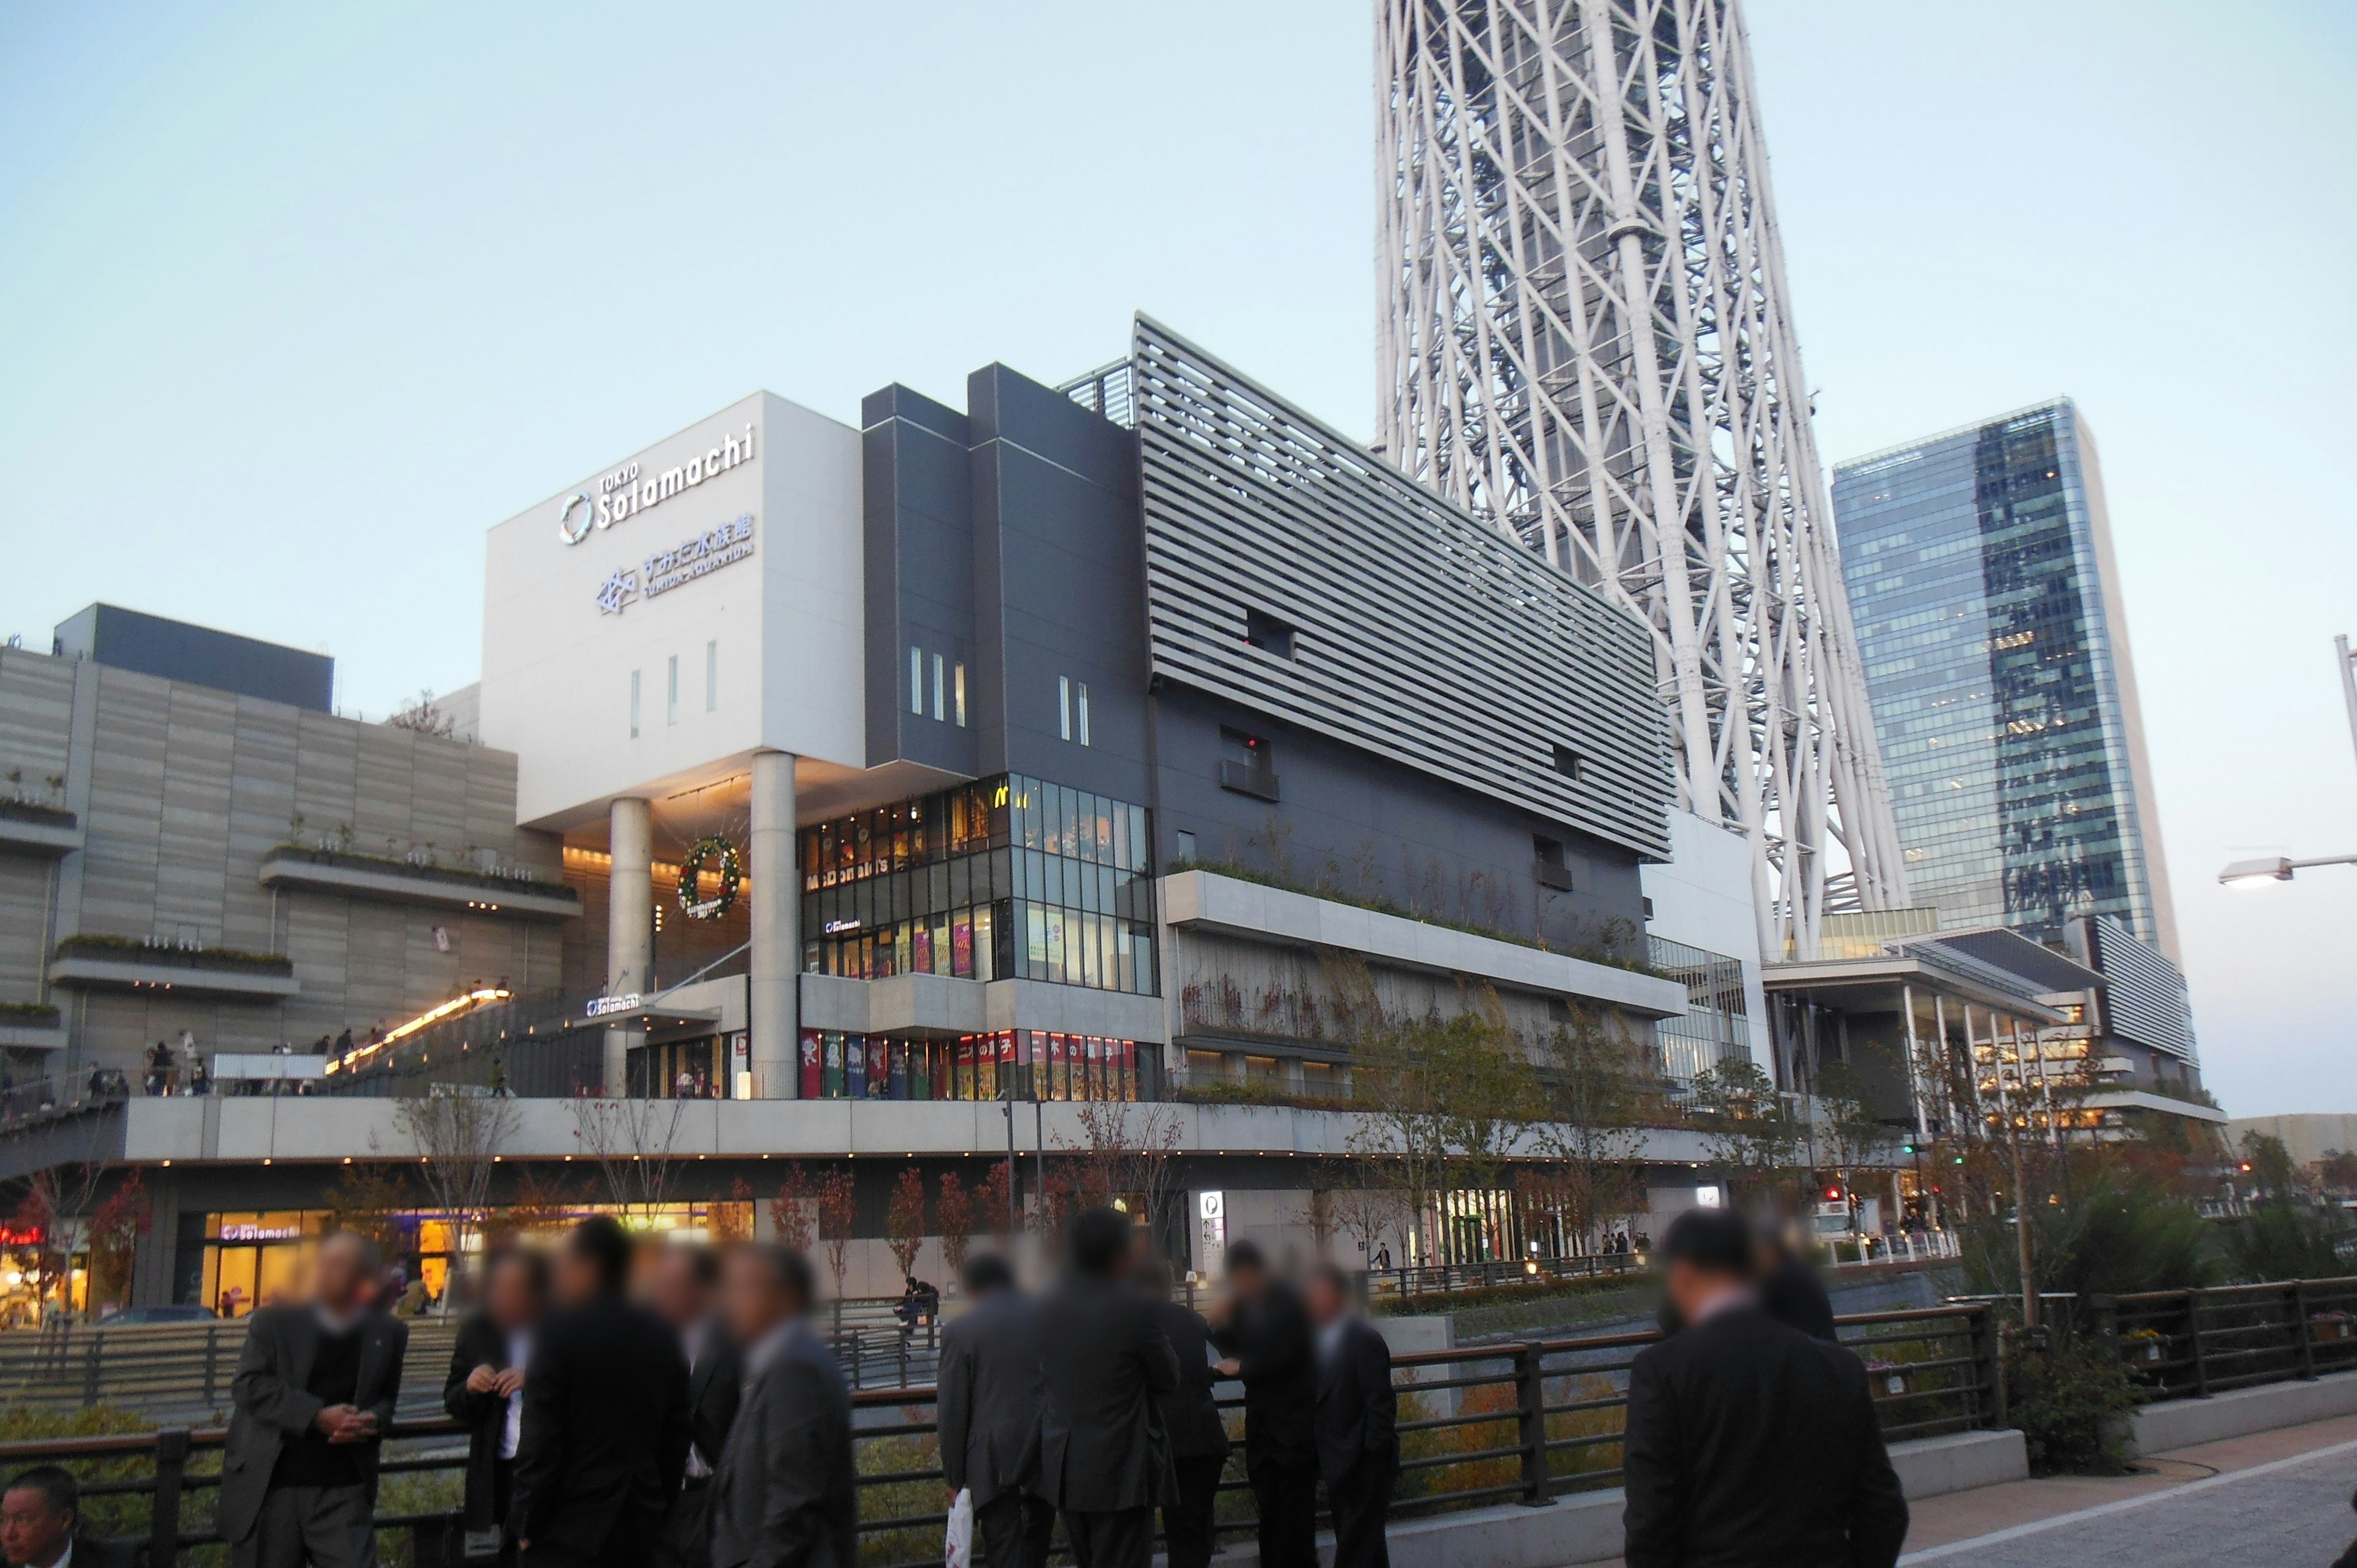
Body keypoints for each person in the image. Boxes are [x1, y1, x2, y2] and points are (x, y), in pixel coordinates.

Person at [1621, 1208, 1908, 1568]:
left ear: (1683, 1275)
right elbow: (1884, 1508)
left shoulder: (1662, 1371)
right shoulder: (1839, 1367)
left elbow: (1651, 1524)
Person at [221, 1230, 409, 1568]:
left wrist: (373, 1420)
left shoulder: (390, 1332)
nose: (324, 1272)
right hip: (273, 1486)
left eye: (337, 1265)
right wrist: (316, 1415)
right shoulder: (273, 1322)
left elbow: (386, 1400)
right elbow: (248, 1385)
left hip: (344, 1489)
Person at [510, 1217, 691, 1568]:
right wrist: (658, 1505)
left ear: (591, 1266)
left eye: (565, 1262)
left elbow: (541, 1445)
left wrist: (527, 1524)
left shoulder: (557, 1335)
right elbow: (677, 1438)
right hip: (642, 1528)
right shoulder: (664, 1336)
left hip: (568, 1531)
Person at [1035, 1208, 1179, 1568]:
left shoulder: (1048, 1308)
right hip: (1123, 1469)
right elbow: (1169, 1377)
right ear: (1118, 1256)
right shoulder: (1135, 1308)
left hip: (1068, 1469)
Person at [708, 1246, 856, 1568]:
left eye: (743, 1289)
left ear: (786, 1299)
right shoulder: (783, 1364)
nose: (729, 1303)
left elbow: (794, 1507)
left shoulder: (796, 1371)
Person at [937, 1253, 1051, 1568]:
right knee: (1035, 1545)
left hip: (991, 1459)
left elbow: (952, 1411)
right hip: (1042, 1449)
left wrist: (953, 1478)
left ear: (973, 1288)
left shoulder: (959, 1332)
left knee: (1003, 1548)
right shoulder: (1042, 1321)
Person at [1209, 1240, 1317, 1568]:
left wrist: (1245, 1368)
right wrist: (1218, 1326)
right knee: (1268, 1514)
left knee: (1297, 1520)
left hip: (1294, 1431)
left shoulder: (1289, 1302)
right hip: (1263, 1432)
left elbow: (1289, 1356)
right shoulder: (1245, 1307)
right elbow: (1236, 1351)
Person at [444, 1245, 546, 1562]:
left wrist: (535, 1380)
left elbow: (587, 1391)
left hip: (546, 1467)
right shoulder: (478, 1332)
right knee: (502, 1555)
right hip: (497, 1467)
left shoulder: (560, 1329)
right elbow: (453, 1398)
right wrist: (471, 1387)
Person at [643, 1245, 740, 1568]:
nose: (660, 1293)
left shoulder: (734, 1339)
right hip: (658, 1504)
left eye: (672, 1284)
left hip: (715, 1502)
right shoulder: (645, 1341)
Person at [1135, 1258, 1228, 1568]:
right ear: (1169, 1286)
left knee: (1171, 1529)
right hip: (1205, 1436)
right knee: (1197, 1525)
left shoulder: (1135, 1324)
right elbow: (1232, 1349)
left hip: (1164, 1441)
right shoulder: (1193, 1320)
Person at [1304, 1265, 1395, 1568]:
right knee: (1364, 1548)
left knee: (1356, 1550)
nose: (1312, 1301)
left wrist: (1371, 1457)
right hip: (1336, 1464)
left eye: (1318, 1294)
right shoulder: (1315, 1341)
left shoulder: (1364, 1340)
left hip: (1364, 1465)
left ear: (1338, 1297)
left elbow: (1381, 1404)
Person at [1, 1466, 137, 1568]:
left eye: (22, 1520)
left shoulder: (118, 1562)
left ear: (64, 1520)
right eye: (4, 1520)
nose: (9, 1534)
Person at [1755, 1226, 1836, 1343]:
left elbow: (1752, 1317)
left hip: (1806, 1349)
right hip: (1822, 1347)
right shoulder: (1799, 1271)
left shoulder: (1779, 1278)